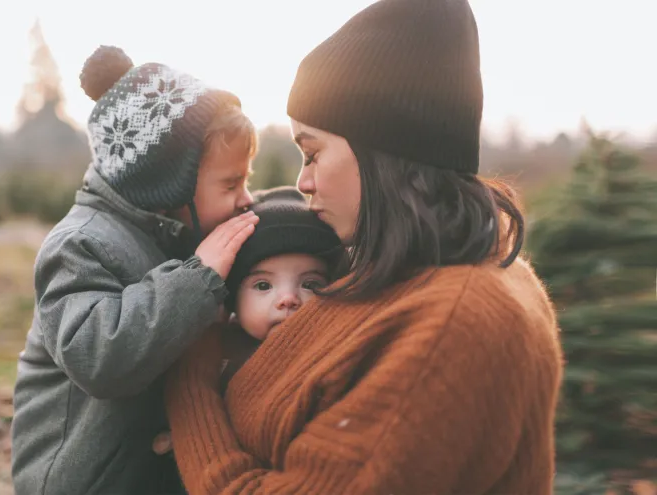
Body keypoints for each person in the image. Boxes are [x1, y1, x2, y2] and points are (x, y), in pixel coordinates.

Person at [165, 1, 565, 494]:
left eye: (312, 153)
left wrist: (191, 387)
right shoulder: (403, 275)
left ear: (383, 151)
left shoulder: (452, 327)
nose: (302, 181)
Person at [11, 45, 259, 495]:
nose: (247, 197)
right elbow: (98, 357)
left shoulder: (176, 235)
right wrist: (198, 278)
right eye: (231, 183)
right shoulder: (80, 244)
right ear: (169, 184)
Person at [218, 186, 345, 391]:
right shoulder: (216, 352)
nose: (288, 298)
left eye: (310, 285)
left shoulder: (334, 352)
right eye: (263, 285)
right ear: (234, 301)